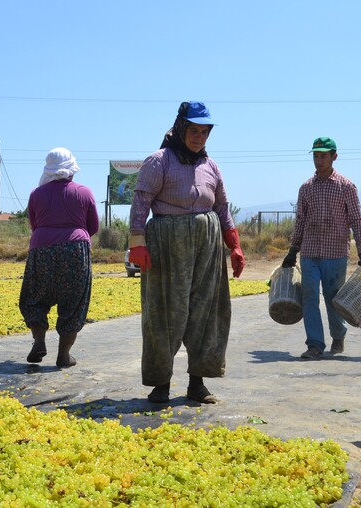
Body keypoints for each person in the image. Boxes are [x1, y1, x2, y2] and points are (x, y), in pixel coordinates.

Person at [127, 101, 245, 404]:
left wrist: (235, 245)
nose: (199, 137)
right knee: (164, 312)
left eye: (205, 131)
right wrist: (137, 242)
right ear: (180, 128)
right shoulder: (159, 161)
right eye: (194, 130)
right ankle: (161, 383)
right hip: (167, 243)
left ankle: (198, 382)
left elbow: (221, 206)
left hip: (207, 244)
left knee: (207, 310)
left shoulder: (211, 166)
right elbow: (141, 202)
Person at [282, 137, 361, 360]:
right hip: (310, 251)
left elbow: (356, 219)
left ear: (334, 157)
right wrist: (293, 250)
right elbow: (300, 220)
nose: (319, 160)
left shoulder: (346, 186)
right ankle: (315, 345)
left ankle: (338, 335)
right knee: (309, 296)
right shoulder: (306, 188)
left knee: (333, 298)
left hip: (335, 252)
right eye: (315, 156)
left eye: (323, 156)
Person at [19, 147, 100, 368]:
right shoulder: (84, 192)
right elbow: (93, 226)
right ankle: (63, 356)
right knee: (73, 301)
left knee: (35, 297)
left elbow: (35, 224)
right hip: (75, 251)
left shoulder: (37, 194)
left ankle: (39, 341)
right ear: (72, 169)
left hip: (42, 248)